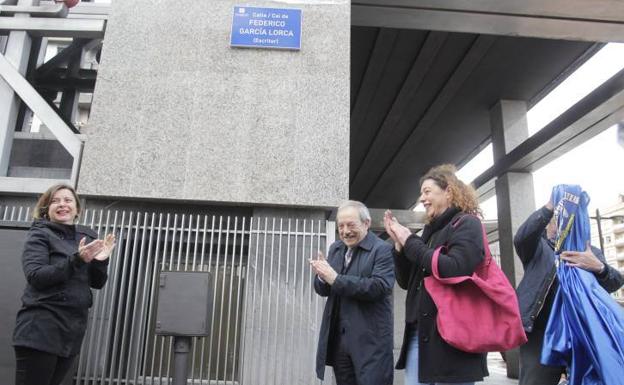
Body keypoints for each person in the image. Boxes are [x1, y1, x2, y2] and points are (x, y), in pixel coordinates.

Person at [384, 164, 489, 385]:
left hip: (453, 335)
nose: (422, 198)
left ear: (448, 191)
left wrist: (410, 241)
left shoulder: (467, 223)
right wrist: (400, 246)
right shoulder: (428, 233)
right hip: (419, 332)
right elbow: (406, 282)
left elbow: (455, 268)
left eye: (427, 191)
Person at [12, 184, 115, 385]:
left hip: (72, 331)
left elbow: (97, 282)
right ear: (46, 209)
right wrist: (77, 259)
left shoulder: (86, 236)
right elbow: (37, 276)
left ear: (77, 208)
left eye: (68, 200)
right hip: (40, 330)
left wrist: (102, 260)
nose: (62, 205)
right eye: (55, 201)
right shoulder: (39, 235)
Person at [514, 196, 624, 385]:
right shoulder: (538, 247)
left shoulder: (590, 252)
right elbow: (522, 236)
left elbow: (615, 281)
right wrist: (550, 205)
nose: (561, 225)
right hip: (542, 332)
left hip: (580, 330)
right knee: (535, 381)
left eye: (568, 220)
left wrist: (599, 267)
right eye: (557, 220)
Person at [310, 200, 395, 385]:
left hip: (371, 341)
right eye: (341, 226)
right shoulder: (337, 248)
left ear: (367, 223)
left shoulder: (382, 249)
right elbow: (324, 289)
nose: (345, 231)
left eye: (351, 225)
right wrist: (321, 276)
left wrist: (335, 278)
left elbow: (380, 287)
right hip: (341, 340)